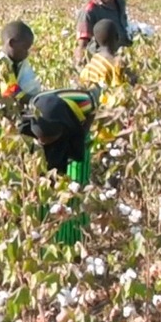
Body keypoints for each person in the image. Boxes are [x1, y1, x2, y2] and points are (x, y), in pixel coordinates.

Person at [19, 89, 98, 245]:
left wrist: (78, 143)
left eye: (48, 139)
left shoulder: (85, 103)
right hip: (56, 121)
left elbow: (86, 123)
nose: (44, 142)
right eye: (41, 138)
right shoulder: (33, 109)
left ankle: (68, 235)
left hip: (75, 123)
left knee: (70, 171)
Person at [74, 0, 130, 65]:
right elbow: (82, 47)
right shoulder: (89, 11)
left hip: (123, 59)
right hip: (102, 65)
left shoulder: (119, 2)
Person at [79, 19, 139, 89]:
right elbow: (119, 90)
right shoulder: (117, 65)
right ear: (117, 37)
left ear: (95, 41)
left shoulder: (91, 64)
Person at [0, 21, 42, 102]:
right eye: (24, 48)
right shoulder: (0, 64)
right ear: (12, 43)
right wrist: (35, 100)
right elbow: (12, 91)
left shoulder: (19, 62)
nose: (27, 53)